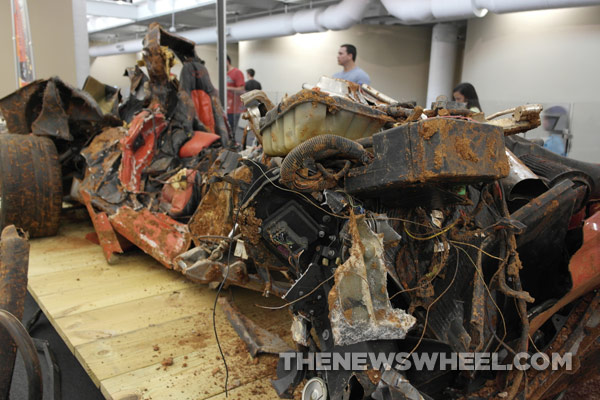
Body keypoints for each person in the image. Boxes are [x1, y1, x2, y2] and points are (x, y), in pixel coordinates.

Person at [226, 55, 245, 134]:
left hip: (234, 108)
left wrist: (227, 88)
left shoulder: (237, 72)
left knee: (231, 131)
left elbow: (241, 89)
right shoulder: (226, 73)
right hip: (226, 107)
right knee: (226, 131)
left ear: (226, 61)